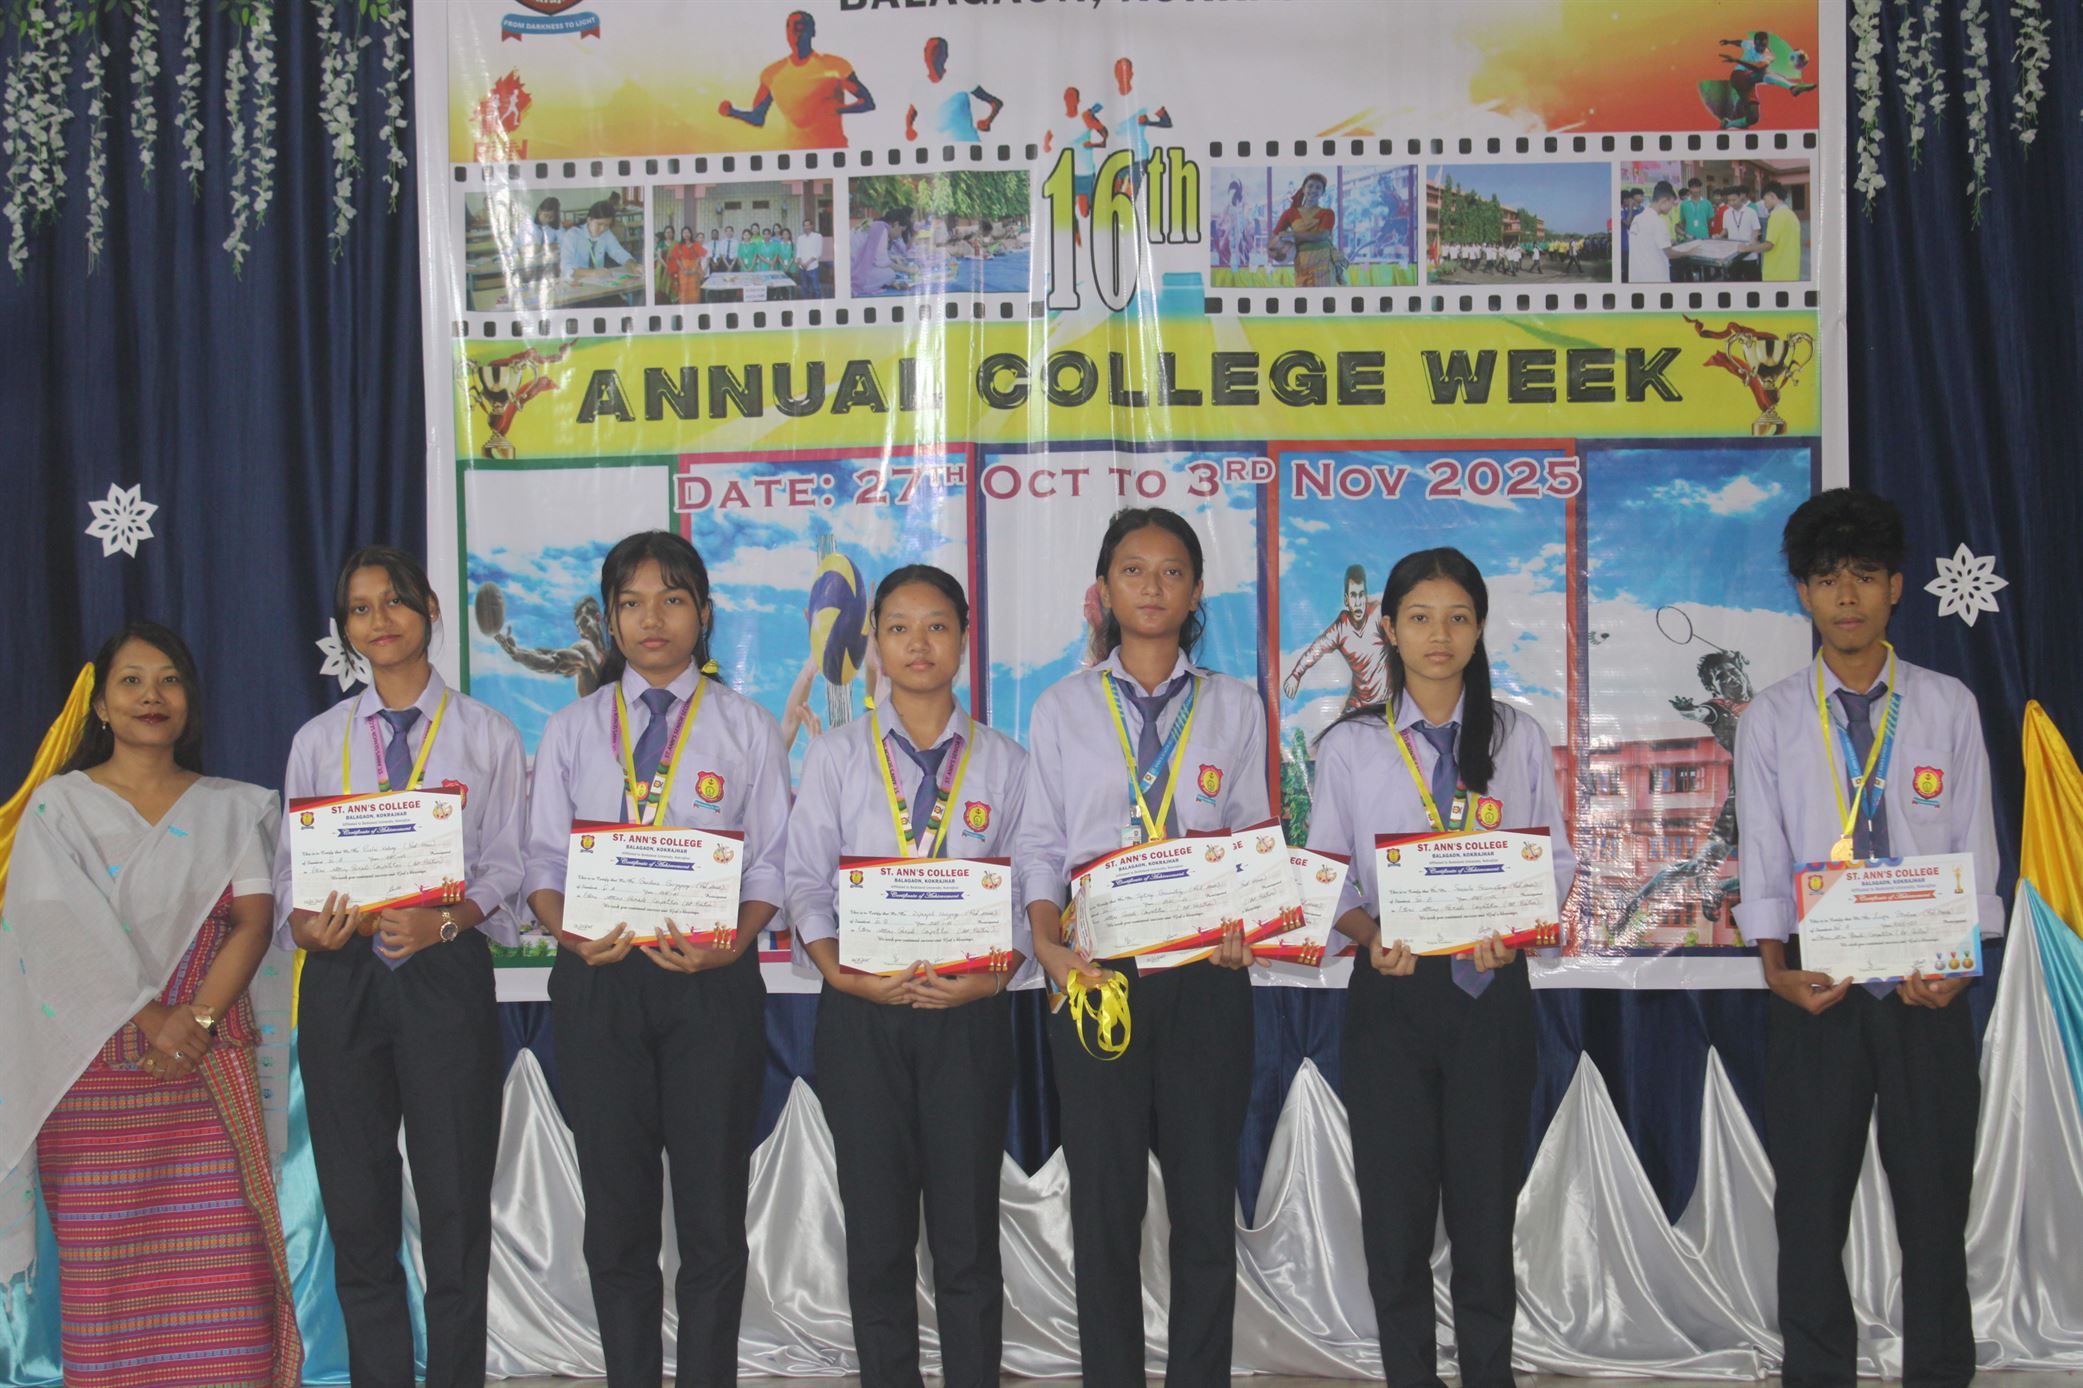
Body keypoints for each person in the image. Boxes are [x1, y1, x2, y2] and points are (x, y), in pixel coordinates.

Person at [1733, 488, 1998, 1388]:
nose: (1844, 595)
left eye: (1862, 575)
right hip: (1818, 987)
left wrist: (1959, 966)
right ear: (1801, 595)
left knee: (1934, 1207)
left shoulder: (1946, 704)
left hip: (1928, 983)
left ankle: (1939, 1372)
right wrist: (1774, 969)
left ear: (1894, 588)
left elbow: (1974, 842)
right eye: (1824, 578)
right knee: (1809, 1210)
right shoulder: (1771, 717)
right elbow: (1762, 850)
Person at [0, 623, 301, 1388]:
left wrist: (193, 1021)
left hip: (206, 1074)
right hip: (93, 1079)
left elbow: (253, 921)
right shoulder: (58, 808)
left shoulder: (234, 808)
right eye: (131, 681)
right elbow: (52, 932)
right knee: (106, 1278)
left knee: (224, 1274)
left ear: (189, 700)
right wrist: (150, 1018)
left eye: (169, 679)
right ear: (101, 705)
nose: (151, 696)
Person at [523, 530, 789, 1388]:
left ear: (703, 615)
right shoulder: (571, 729)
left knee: (712, 1217)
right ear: (609, 620)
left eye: (671, 600)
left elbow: (773, 863)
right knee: (617, 1218)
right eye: (631, 602)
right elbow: (540, 862)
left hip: (711, 984)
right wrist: (569, 933)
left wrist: (734, 941)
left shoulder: (746, 727)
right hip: (599, 980)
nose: (652, 619)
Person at [1306, 548, 1577, 1388]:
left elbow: (1552, 861)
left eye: (1458, 617)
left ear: (1478, 629)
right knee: (1394, 1221)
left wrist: (1517, 932)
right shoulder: (1349, 745)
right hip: (1390, 990)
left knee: (1484, 1218)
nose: (1439, 634)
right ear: (1387, 628)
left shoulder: (1514, 736)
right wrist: (1367, 933)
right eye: (1419, 617)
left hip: (1489, 989)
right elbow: (1326, 875)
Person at [1015, 506, 1267, 1388]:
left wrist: (1246, 927)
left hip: (1204, 975)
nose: (1152, 587)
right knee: (1104, 1207)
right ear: (1104, 590)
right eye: (1133, 570)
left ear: (1195, 593)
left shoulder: (1234, 706)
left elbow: (1252, 836)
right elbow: (1039, 845)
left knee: (1203, 1209)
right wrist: (1046, 946)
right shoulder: (1062, 707)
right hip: (1095, 975)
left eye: (1171, 572)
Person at [279, 546, 524, 1388]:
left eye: (394, 601)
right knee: (356, 1204)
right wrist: (311, 929)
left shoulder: (486, 734)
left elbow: (507, 864)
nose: (378, 620)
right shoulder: (318, 740)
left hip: (442, 968)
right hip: (343, 977)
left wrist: (444, 920)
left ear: (429, 610)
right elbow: (290, 879)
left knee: (454, 1201)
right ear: (344, 628)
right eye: (359, 608)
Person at [786, 565, 1028, 1388]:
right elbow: (804, 881)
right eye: (897, 627)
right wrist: (839, 974)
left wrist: (994, 978)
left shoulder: (1005, 763)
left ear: (963, 638)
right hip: (862, 1014)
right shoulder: (835, 755)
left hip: (969, 1014)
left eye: (935, 626)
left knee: (967, 1237)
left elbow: (1030, 891)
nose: (917, 644)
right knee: (878, 1237)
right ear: (874, 644)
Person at [720, 9, 875, 148]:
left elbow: (867, 102)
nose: (794, 30)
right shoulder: (771, 73)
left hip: (833, 154)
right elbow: (757, 117)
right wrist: (732, 112)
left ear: (812, 31)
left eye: (799, 25)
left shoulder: (835, 65)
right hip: (794, 157)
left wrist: (836, 109)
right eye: (789, 26)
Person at [1284, 562, 1387, 710]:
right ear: (1346, 600)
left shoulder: (1378, 615)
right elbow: (1316, 650)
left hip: (1386, 704)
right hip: (1358, 704)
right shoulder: (1340, 628)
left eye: (1361, 595)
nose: (1358, 602)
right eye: (1353, 596)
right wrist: (1296, 675)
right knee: (1341, 724)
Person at [905, 35, 1002, 144]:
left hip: (967, 146)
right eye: (928, 50)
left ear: (945, 56)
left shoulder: (960, 82)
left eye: (936, 51)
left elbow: (996, 102)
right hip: (939, 149)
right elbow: (911, 113)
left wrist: (988, 121)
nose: (931, 54)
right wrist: (909, 129)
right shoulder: (919, 88)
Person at [1272, 172, 1338, 287]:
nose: (1313, 190)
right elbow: (1276, 235)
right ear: (1303, 189)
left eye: (1318, 188)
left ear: (1322, 193)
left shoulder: (1327, 213)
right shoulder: (1290, 213)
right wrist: (1280, 251)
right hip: (1301, 264)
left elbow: (1322, 235)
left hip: (1323, 264)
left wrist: (1293, 235)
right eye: (1310, 186)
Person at [562, 199, 634, 278]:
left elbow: (618, 252)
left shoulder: (606, 233)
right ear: (589, 220)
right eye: (599, 224)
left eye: (607, 225)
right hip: (575, 280)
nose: (602, 229)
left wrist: (632, 264)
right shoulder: (572, 235)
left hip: (597, 280)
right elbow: (565, 266)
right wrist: (591, 272)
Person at [1627, 181, 1679, 284]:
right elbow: (1669, 253)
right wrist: (1690, 251)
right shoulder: (1657, 221)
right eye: (1672, 203)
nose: (1672, 207)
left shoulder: (1637, 218)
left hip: (1637, 279)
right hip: (1656, 279)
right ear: (1664, 200)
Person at [1757, 182, 1802, 282]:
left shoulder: (1777, 215)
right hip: (1791, 271)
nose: (1764, 203)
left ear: (1772, 196)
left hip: (1776, 273)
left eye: (1765, 199)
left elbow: (1769, 245)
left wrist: (1747, 248)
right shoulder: (1791, 214)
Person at [1722, 186, 1762, 281]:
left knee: (1752, 281)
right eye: (1729, 200)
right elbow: (1725, 230)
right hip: (1733, 254)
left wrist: (1751, 245)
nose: (1731, 203)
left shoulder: (1751, 212)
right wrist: (1719, 235)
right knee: (1734, 281)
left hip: (1749, 254)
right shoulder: (1726, 213)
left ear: (1740, 197)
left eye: (1734, 200)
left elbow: (1756, 231)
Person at [668, 225, 708, 304]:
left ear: (691, 234)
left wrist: (694, 269)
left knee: (694, 291)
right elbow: (676, 259)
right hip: (683, 272)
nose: (686, 234)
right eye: (684, 232)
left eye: (688, 232)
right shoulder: (678, 246)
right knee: (684, 291)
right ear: (682, 234)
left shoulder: (696, 245)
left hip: (694, 271)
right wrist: (683, 269)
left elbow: (699, 257)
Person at [796, 216, 825, 296]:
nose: (806, 227)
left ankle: (818, 304)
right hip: (802, 268)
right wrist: (802, 263)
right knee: (804, 288)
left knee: (816, 288)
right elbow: (798, 252)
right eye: (805, 225)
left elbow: (818, 253)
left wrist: (807, 263)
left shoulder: (817, 236)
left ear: (812, 226)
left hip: (813, 267)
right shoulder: (800, 238)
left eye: (808, 225)